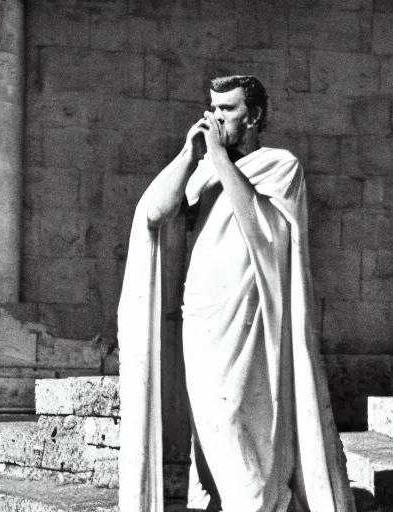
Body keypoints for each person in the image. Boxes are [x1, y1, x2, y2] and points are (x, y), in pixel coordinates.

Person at [118, 75, 354, 512]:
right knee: (212, 433)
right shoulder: (203, 171)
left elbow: (265, 231)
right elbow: (155, 212)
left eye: (227, 109)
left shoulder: (282, 166)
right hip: (203, 322)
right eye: (213, 107)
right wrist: (190, 156)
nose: (215, 117)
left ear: (255, 116)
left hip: (251, 323)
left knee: (240, 427)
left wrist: (219, 162)